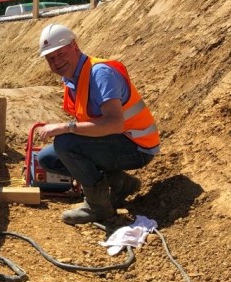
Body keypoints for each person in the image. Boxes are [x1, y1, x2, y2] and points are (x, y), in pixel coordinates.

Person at [35, 24, 160, 225]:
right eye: (51, 58)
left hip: (137, 145)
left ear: (74, 46)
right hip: (117, 141)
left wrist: (65, 127)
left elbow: (114, 124)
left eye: (60, 54)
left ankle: (99, 207)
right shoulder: (72, 79)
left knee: (66, 143)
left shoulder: (100, 73)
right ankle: (121, 184)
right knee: (48, 158)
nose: (56, 62)